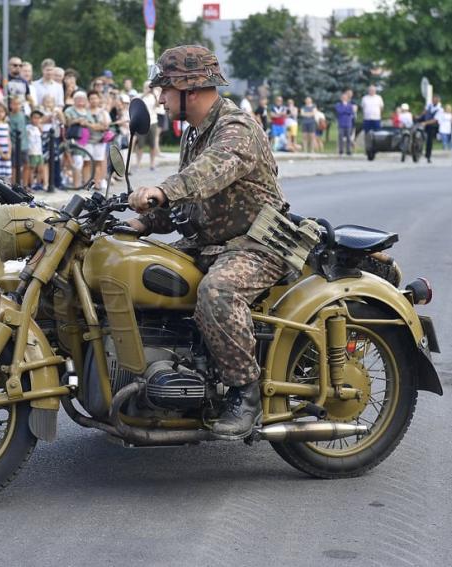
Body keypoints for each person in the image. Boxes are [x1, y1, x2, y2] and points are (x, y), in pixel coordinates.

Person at [126, 45, 288, 438]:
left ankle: (244, 393)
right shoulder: (195, 134)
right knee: (144, 270)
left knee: (218, 292)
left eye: (165, 89)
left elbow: (206, 175)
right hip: (211, 243)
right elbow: (188, 202)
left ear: (191, 90)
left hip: (258, 244)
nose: (161, 99)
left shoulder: (236, 129)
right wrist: (143, 223)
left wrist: (161, 190)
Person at [86, 91, 111, 190]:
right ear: (88, 100)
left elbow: (105, 126)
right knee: (87, 162)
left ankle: (98, 182)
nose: (94, 100)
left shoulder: (103, 112)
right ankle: (87, 183)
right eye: (91, 98)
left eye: (95, 98)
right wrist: (97, 126)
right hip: (87, 140)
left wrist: (92, 125)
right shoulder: (85, 111)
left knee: (98, 162)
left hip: (100, 140)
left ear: (98, 99)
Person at [27, 109, 46, 190]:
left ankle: (38, 184)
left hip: (39, 151)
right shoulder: (28, 128)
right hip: (32, 151)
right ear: (31, 118)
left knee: (40, 168)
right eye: (35, 118)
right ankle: (31, 185)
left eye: (38, 118)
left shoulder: (38, 128)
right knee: (32, 169)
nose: (37, 120)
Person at [335, 90, 356, 156]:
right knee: (340, 137)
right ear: (341, 98)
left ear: (347, 98)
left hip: (348, 123)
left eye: (345, 98)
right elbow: (339, 111)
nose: (344, 99)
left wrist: (345, 111)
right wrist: (346, 111)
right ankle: (341, 151)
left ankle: (348, 151)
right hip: (341, 123)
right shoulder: (338, 105)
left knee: (348, 138)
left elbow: (351, 112)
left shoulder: (350, 105)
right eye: (343, 97)